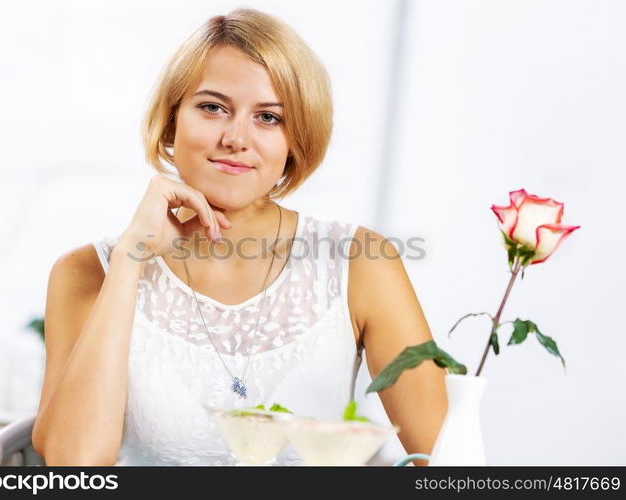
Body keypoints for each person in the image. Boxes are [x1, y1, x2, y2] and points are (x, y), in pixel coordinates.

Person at [31, 8, 447, 466]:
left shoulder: (361, 263)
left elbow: (447, 457)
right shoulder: (84, 272)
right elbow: (73, 466)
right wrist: (131, 261)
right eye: (212, 107)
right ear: (172, 121)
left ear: (295, 140)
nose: (236, 138)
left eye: (268, 118)